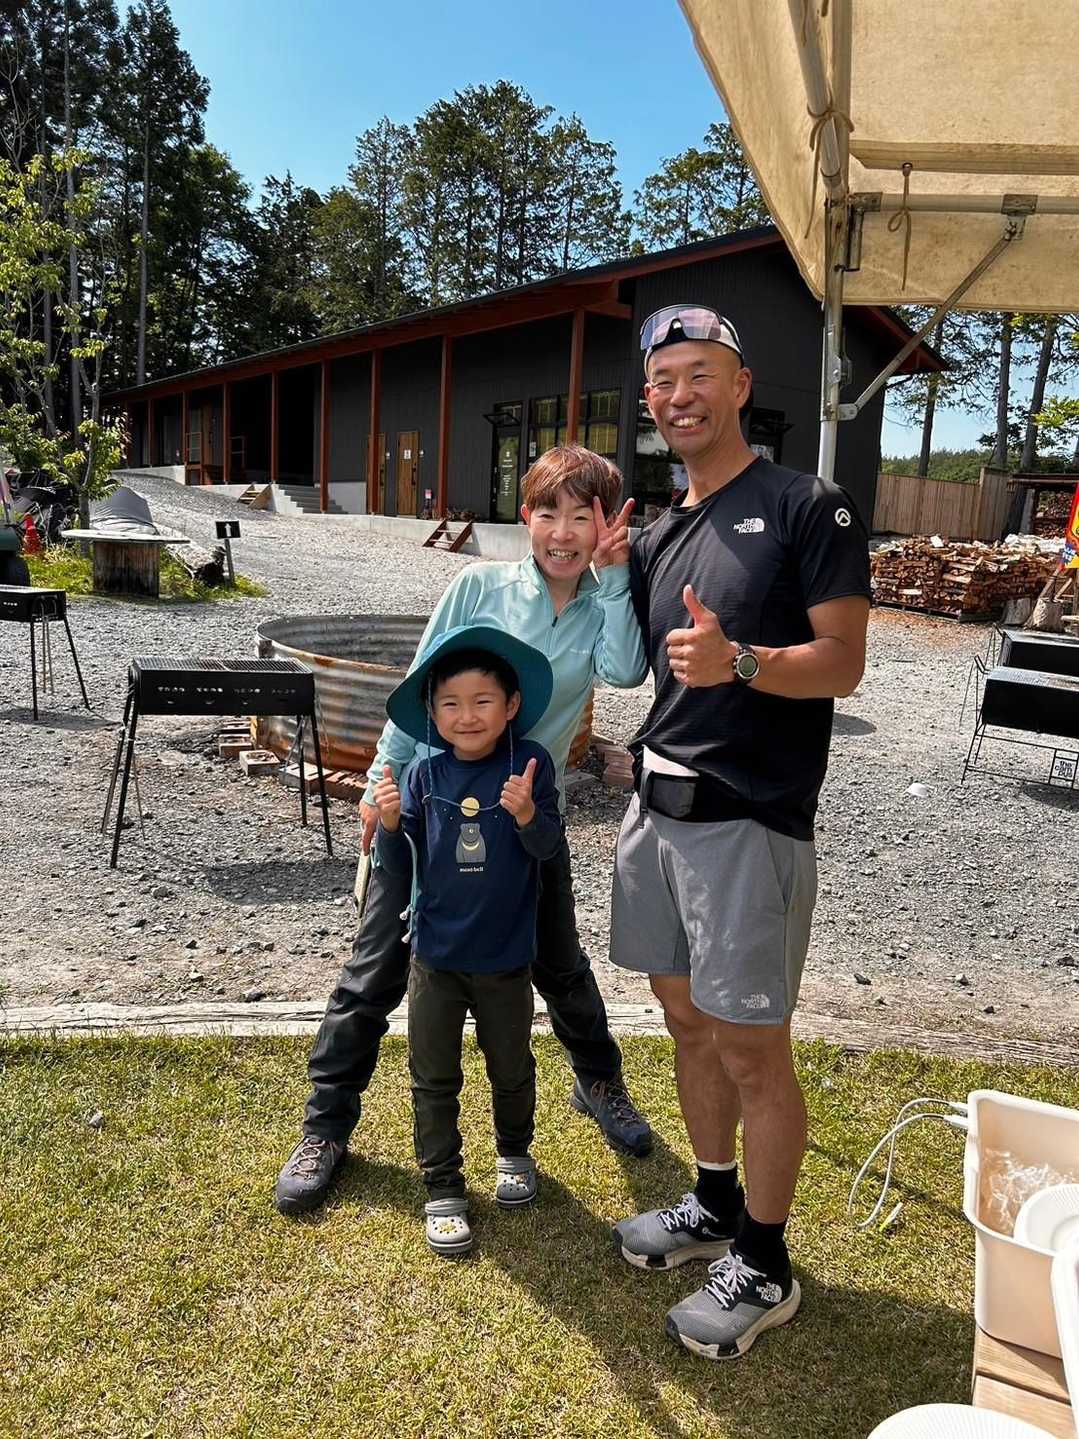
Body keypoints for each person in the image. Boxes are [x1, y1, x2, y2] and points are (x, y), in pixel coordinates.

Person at [276, 445, 652, 1216]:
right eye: (547, 512)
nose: (562, 532)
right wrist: (379, 786)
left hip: (525, 812)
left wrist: (615, 577)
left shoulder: (601, 603)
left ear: (605, 525)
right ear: (525, 516)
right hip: (432, 808)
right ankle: (325, 1126)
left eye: (580, 517)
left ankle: (598, 1081)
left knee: (557, 958)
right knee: (378, 964)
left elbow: (621, 671)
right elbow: (420, 686)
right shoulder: (478, 586)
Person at [609, 305, 871, 1359]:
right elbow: (630, 662)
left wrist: (744, 663)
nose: (680, 395)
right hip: (655, 812)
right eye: (663, 380)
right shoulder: (652, 532)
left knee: (753, 1049)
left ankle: (764, 1263)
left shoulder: (806, 504)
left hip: (748, 823)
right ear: (648, 400)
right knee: (684, 1023)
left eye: (699, 374)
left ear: (740, 384)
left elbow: (843, 662)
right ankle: (714, 1203)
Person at [372, 627, 562, 1256]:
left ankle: (515, 1152)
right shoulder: (424, 773)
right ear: (431, 713)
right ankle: (443, 1186)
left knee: (511, 1065)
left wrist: (527, 814)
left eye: (483, 701)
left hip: (506, 958)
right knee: (433, 1075)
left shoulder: (530, 764)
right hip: (435, 959)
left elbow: (548, 848)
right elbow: (399, 868)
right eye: (450, 703)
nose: (467, 715)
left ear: (511, 705)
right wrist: (392, 826)